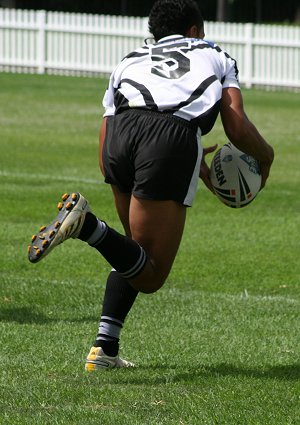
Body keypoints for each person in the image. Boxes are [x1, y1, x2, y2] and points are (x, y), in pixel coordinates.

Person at [28, 0, 274, 370]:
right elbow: (236, 127)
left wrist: (182, 162)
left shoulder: (130, 58)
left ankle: (104, 350)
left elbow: (106, 131)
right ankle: (88, 226)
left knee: (133, 254)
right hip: (170, 136)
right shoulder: (214, 53)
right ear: (194, 31)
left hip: (119, 140)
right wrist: (266, 158)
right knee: (152, 275)